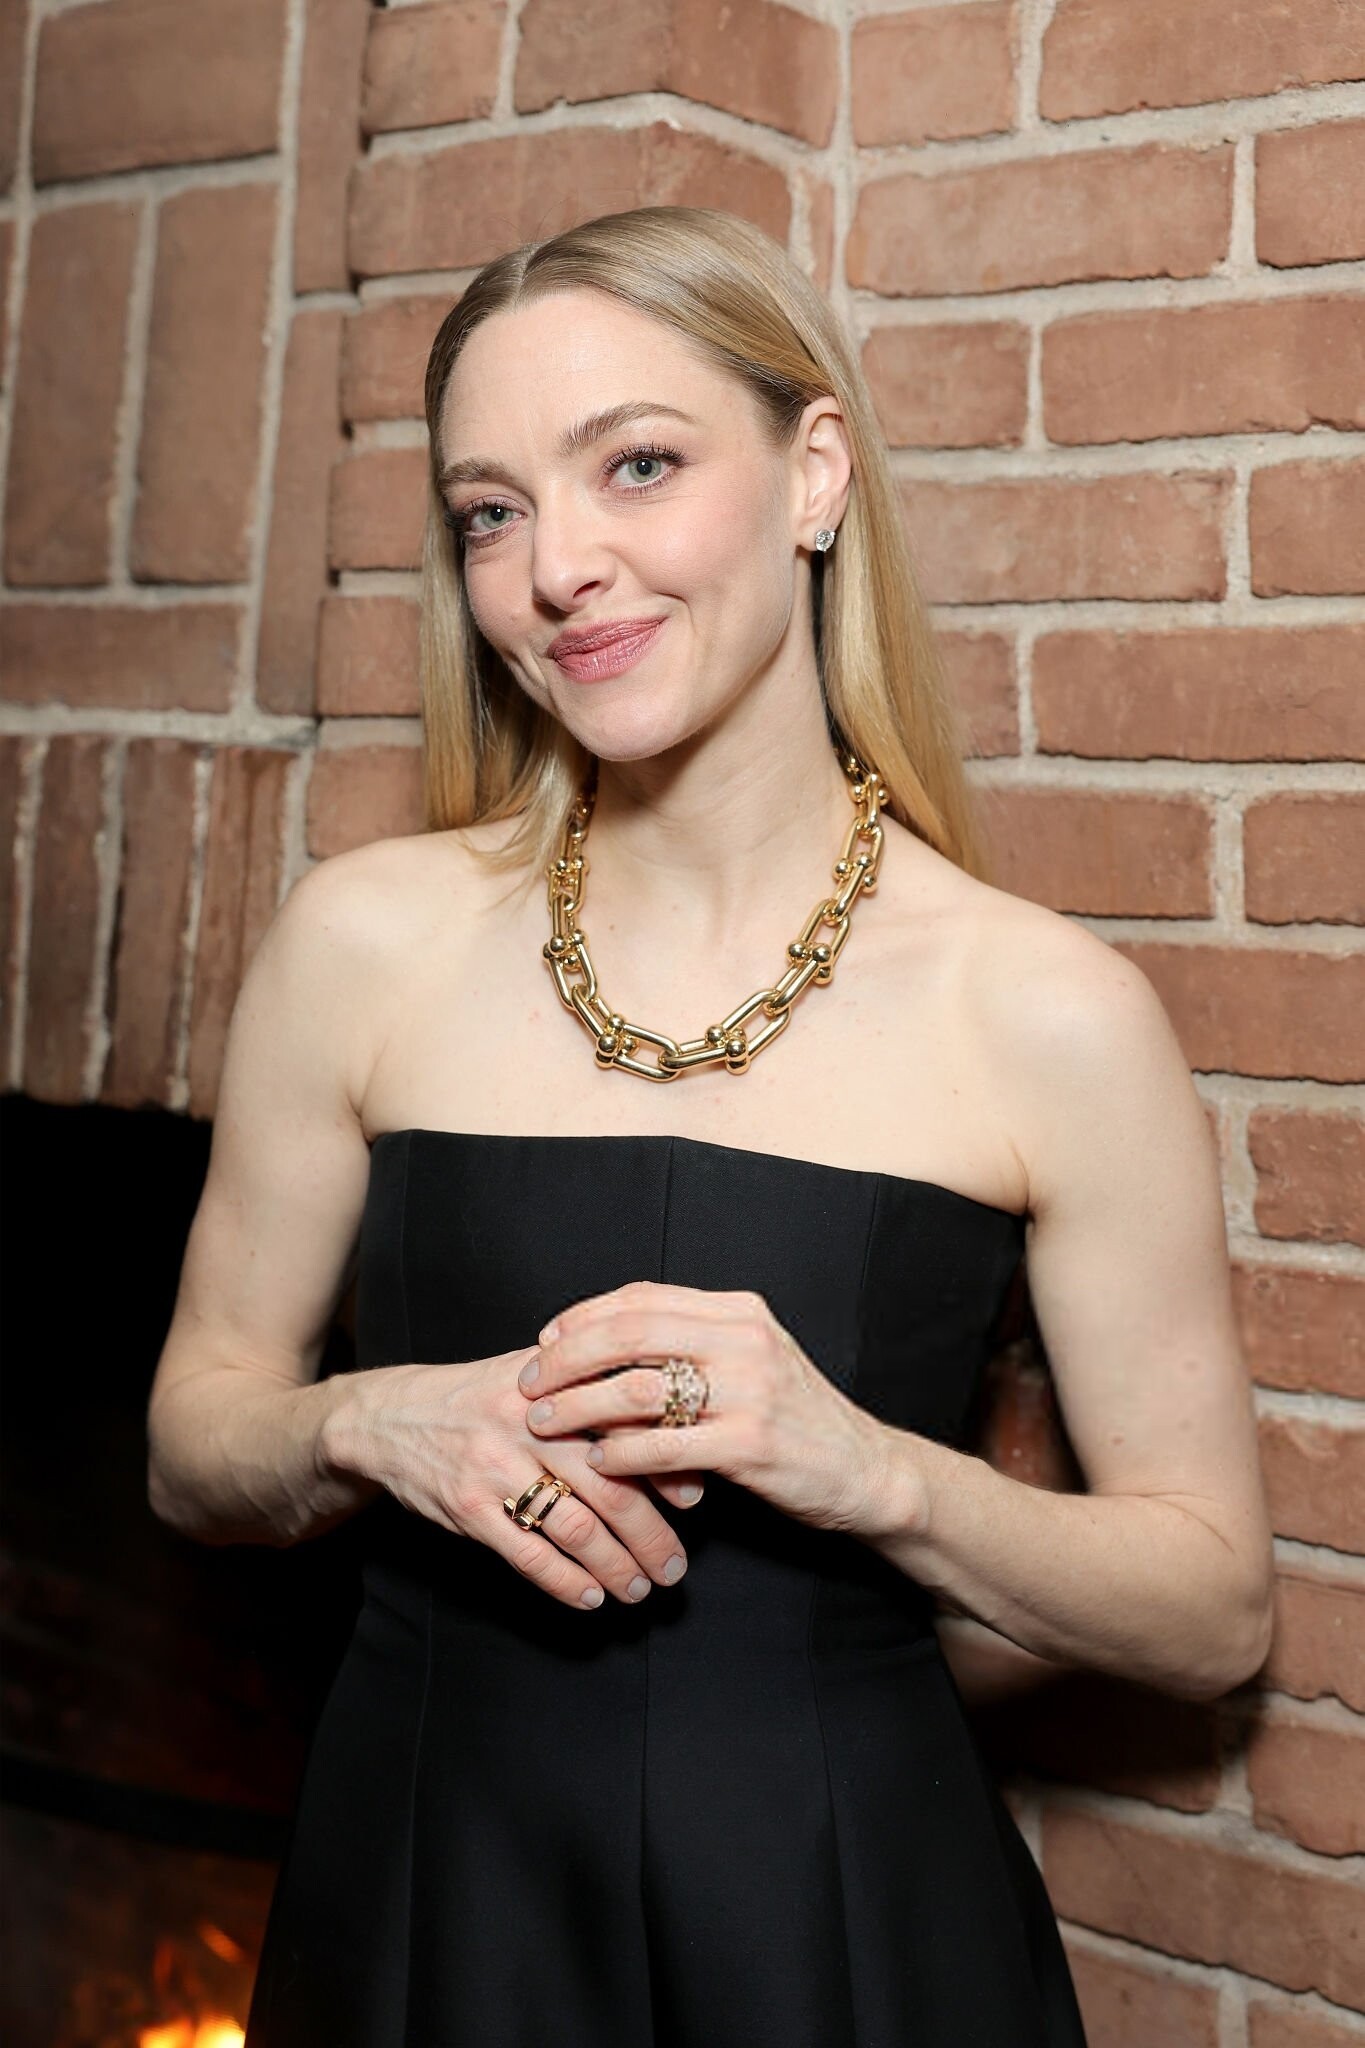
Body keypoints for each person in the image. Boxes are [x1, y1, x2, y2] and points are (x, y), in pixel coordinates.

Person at [147, 205, 1275, 2047]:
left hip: (845, 1927)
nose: (556, 569)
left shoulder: (1043, 1009)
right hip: (430, 1898)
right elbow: (193, 1444)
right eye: (490, 512)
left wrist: (873, 1471)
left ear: (813, 474)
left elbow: (1211, 1609)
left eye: (638, 467)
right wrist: (367, 1423)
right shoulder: (361, 942)